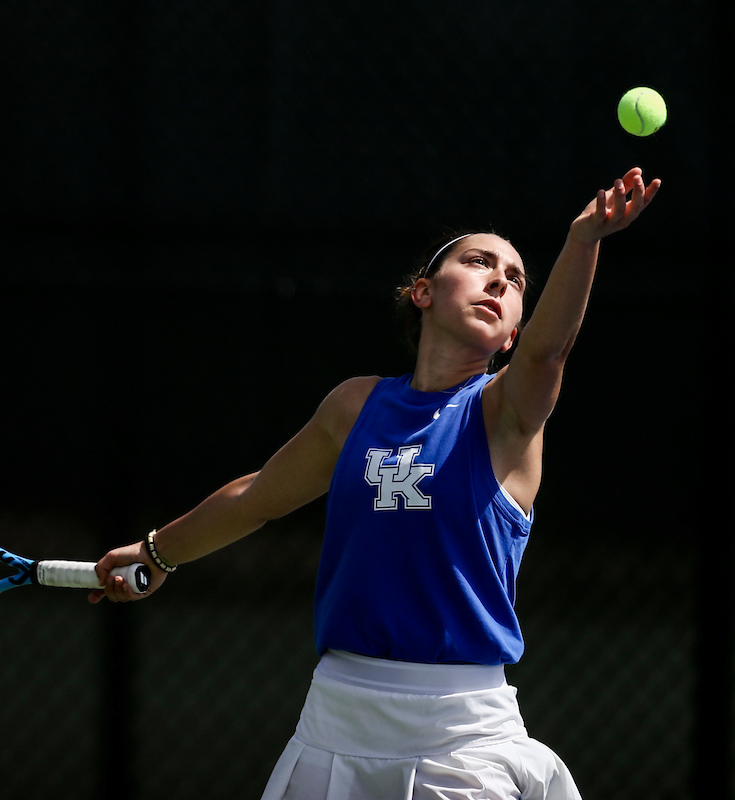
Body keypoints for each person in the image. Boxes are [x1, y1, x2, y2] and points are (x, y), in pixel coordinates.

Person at [89, 167, 662, 799]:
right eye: (479, 262)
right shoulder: (353, 407)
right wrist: (156, 551)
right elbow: (257, 498)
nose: (500, 279)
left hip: (462, 735)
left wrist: (583, 241)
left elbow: (547, 354)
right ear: (422, 292)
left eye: (517, 280)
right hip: (336, 717)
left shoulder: (507, 415)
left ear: (513, 334)